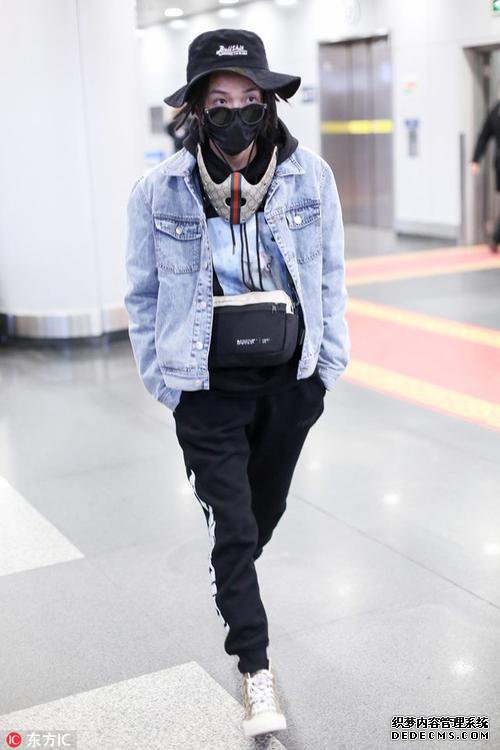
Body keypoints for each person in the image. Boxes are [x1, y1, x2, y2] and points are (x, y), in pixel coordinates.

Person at [124, 28, 350, 739]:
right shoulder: (157, 190)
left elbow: (331, 274)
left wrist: (326, 370)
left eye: (250, 99)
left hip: (289, 384)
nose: (235, 115)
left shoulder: (311, 177)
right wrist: (167, 385)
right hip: (206, 389)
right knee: (235, 522)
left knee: (261, 516)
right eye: (218, 102)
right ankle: (255, 667)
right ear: (196, 110)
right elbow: (141, 295)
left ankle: (231, 567)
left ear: (270, 103)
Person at [470, 85, 500, 253]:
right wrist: (475, 159)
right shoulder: (495, 112)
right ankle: (495, 238)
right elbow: (483, 136)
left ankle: (495, 238)